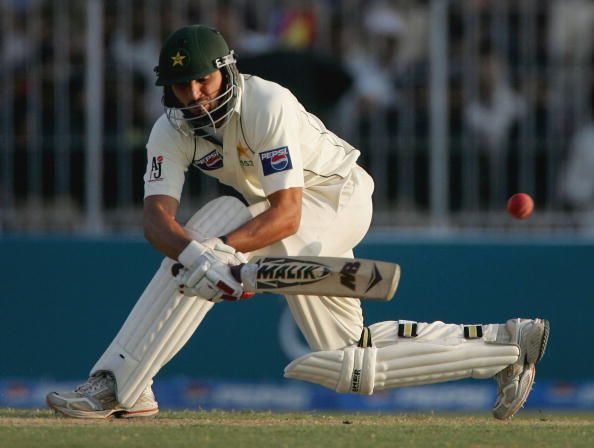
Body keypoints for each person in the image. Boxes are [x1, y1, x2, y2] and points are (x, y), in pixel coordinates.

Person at [46, 25, 549, 420]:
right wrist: (201, 255)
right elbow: (157, 221)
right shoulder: (170, 130)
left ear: (228, 73)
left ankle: (504, 348)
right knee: (346, 353)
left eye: (205, 80)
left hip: (336, 196)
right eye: (183, 85)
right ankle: (122, 385)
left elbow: (287, 214)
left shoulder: (266, 102)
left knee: (340, 352)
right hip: (270, 216)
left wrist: (224, 256)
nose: (196, 94)